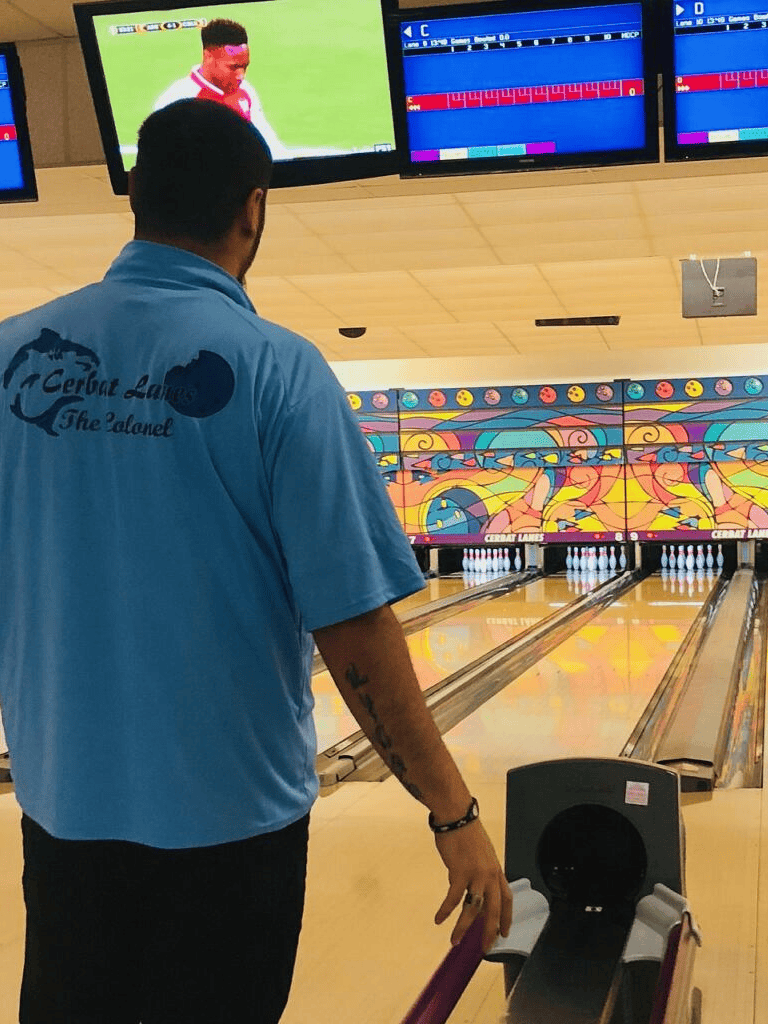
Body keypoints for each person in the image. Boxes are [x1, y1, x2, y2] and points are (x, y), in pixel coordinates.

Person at [0, 99, 511, 1024]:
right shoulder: (279, 369)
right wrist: (453, 813)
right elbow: (354, 624)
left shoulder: (8, 360)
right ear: (253, 209)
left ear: (136, 201)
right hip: (231, 836)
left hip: (61, 822)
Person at [153, 18, 291, 159]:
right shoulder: (175, 100)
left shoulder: (245, 90)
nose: (241, 75)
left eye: (244, 66)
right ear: (208, 57)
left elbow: (267, 142)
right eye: (233, 67)